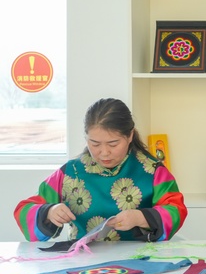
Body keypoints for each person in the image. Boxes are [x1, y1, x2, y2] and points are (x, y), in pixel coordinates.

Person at [14, 98, 187, 242]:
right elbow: (24, 209)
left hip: (140, 260)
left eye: (113, 144)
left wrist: (140, 218)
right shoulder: (70, 173)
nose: (104, 152)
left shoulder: (153, 171)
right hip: (82, 262)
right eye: (95, 144)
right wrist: (49, 212)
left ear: (130, 136)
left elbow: (176, 209)